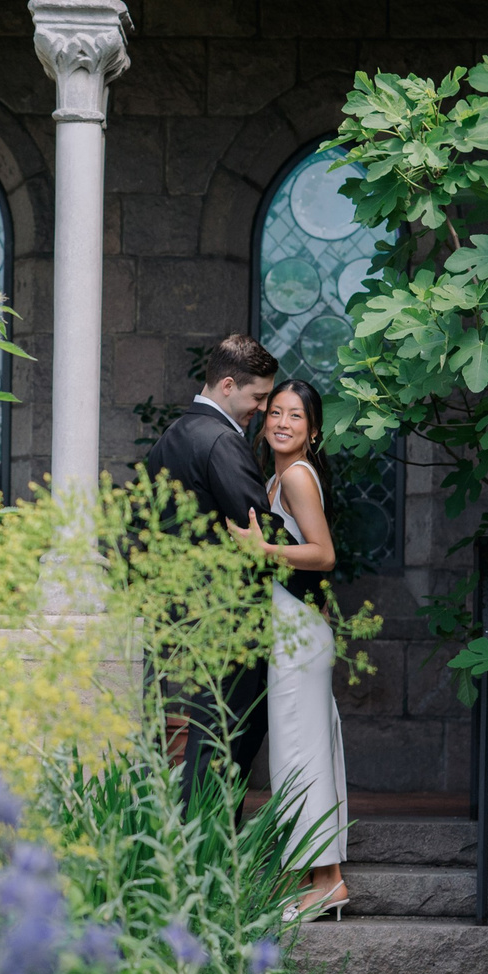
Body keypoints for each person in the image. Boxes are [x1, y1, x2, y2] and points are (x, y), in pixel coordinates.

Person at [142, 334, 280, 811]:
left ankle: (200, 851)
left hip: (187, 611)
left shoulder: (171, 437)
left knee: (212, 735)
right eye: (258, 397)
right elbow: (257, 530)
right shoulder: (221, 440)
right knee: (227, 739)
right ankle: (205, 851)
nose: (261, 410)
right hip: (229, 615)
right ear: (227, 385)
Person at [236, 378, 350, 919]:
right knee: (296, 752)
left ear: (313, 429)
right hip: (292, 629)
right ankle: (317, 874)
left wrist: (263, 548)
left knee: (302, 753)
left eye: (295, 416)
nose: (281, 422)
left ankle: (327, 880)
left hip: (299, 637)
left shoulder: (299, 477)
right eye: (275, 412)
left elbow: (323, 554)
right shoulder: (280, 475)